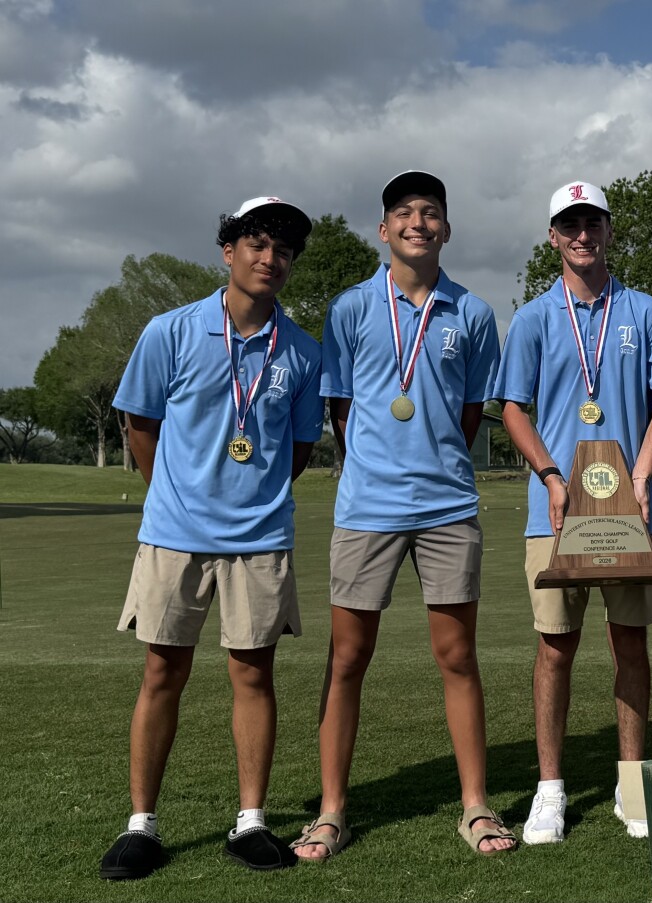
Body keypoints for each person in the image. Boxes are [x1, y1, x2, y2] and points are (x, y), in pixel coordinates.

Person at [291, 171, 513, 859]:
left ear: (446, 228)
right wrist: (380, 467)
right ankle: (331, 811)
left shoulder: (471, 313)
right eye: (404, 213)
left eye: (432, 212)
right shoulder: (352, 308)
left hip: (448, 504)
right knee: (347, 658)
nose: (419, 221)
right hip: (368, 508)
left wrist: (432, 457)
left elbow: (472, 411)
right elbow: (342, 408)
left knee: (457, 656)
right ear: (384, 230)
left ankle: (475, 806)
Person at [100, 197, 323, 880]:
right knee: (162, 671)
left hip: (259, 537)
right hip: (174, 533)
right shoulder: (169, 331)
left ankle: (250, 820)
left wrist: (248, 497)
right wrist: (172, 494)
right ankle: (142, 824)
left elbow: (300, 447)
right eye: (256, 243)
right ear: (227, 250)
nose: (269, 258)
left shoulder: (303, 350)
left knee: (253, 674)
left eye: (282, 250)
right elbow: (141, 425)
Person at [494, 181, 652, 844]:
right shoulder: (534, 318)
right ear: (553, 236)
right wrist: (548, 471)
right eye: (569, 225)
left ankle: (633, 784)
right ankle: (550, 790)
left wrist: (644, 466)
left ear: (608, 229)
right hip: (557, 510)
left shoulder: (648, 312)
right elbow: (513, 405)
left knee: (631, 642)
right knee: (555, 648)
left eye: (592, 223)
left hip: (629, 505)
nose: (582, 235)